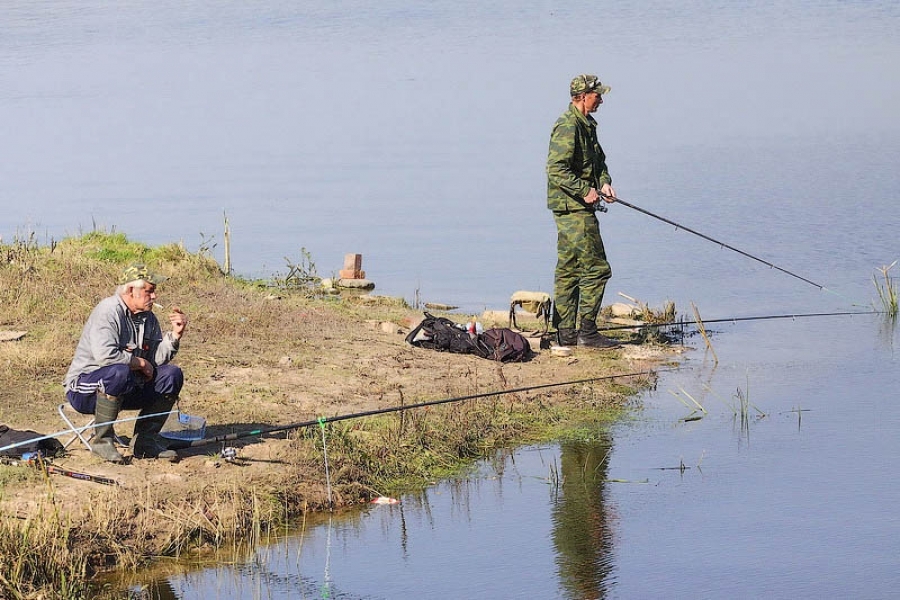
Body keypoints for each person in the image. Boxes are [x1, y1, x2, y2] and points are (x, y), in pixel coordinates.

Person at [64, 264, 188, 462]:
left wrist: (175, 336)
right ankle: (102, 442)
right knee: (119, 372)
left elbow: (155, 360)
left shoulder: (149, 318)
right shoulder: (108, 311)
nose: (154, 296)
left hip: (126, 386)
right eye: (150, 291)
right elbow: (105, 356)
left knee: (171, 375)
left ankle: (145, 442)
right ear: (131, 290)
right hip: (84, 389)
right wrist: (139, 362)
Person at [546, 73, 621, 349]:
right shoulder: (567, 126)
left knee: (569, 269)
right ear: (582, 97)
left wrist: (604, 183)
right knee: (597, 269)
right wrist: (584, 190)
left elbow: (599, 161)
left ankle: (565, 334)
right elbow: (556, 170)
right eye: (597, 94)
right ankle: (587, 333)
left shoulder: (587, 124)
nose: (601, 99)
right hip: (571, 208)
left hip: (577, 207)